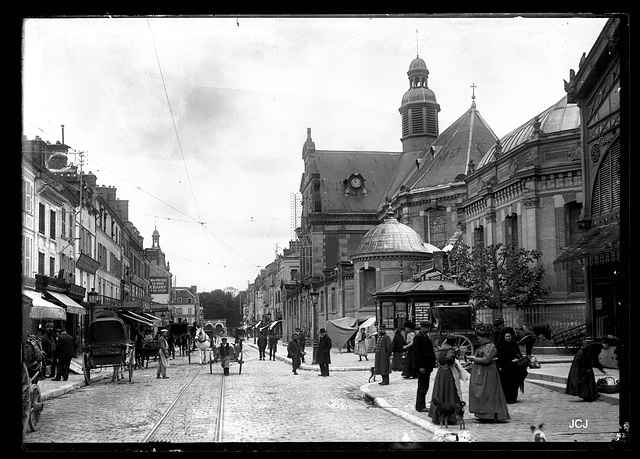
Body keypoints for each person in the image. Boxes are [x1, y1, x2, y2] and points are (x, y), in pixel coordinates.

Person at [467, 329, 510, 422]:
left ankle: (489, 414)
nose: (478, 340)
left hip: (487, 372)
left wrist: (474, 358)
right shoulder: (483, 346)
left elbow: (486, 360)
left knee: (488, 392)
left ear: (485, 338)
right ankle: (482, 414)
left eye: (480, 338)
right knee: (481, 392)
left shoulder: (490, 346)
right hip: (481, 372)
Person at [428, 335, 468, 423]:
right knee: (450, 392)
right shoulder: (450, 350)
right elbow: (451, 361)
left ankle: (438, 417)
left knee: (440, 392)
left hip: (441, 372)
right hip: (449, 372)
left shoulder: (441, 349)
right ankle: (451, 417)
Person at [565, 335, 617, 402]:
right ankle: (587, 395)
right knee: (585, 376)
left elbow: (595, 360)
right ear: (606, 344)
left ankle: (587, 395)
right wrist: (587, 368)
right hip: (582, 359)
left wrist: (601, 369)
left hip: (582, 358)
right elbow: (588, 357)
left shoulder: (598, 347)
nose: (608, 348)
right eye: (609, 346)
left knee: (587, 376)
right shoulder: (597, 347)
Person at [496, 327, 528, 404]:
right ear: (504, 337)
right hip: (505, 368)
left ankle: (513, 397)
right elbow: (499, 358)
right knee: (506, 384)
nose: (508, 338)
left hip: (514, 367)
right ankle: (507, 398)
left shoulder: (514, 344)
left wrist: (517, 359)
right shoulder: (501, 346)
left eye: (509, 336)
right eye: (506, 336)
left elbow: (518, 354)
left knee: (514, 383)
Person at [413, 321, 436, 412]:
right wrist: (421, 366)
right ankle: (420, 406)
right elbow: (417, 353)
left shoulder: (426, 336)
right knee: (422, 386)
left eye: (428, 328)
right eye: (425, 328)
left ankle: (421, 405)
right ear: (421, 327)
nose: (427, 329)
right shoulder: (418, 337)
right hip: (423, 366)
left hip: (427, 365)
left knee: (425, 386)